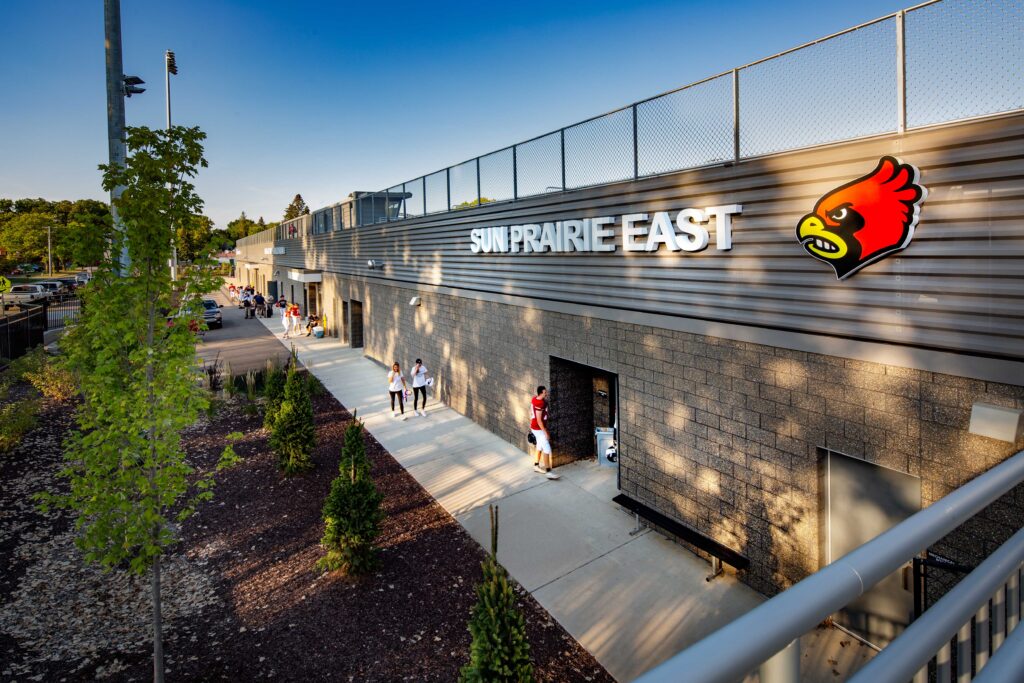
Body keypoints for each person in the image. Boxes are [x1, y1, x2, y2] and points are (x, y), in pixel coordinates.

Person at [530, 386, 559, 480]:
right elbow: (539, 420)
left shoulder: (534, 398)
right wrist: (545, 432)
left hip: (535, 427)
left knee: (539, 446)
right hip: (538, 429)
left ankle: (536, 465)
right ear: (540, 393)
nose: (546, 393)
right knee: (547, 449)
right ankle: (548, 472)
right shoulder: (539, 403)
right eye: (545, 392)